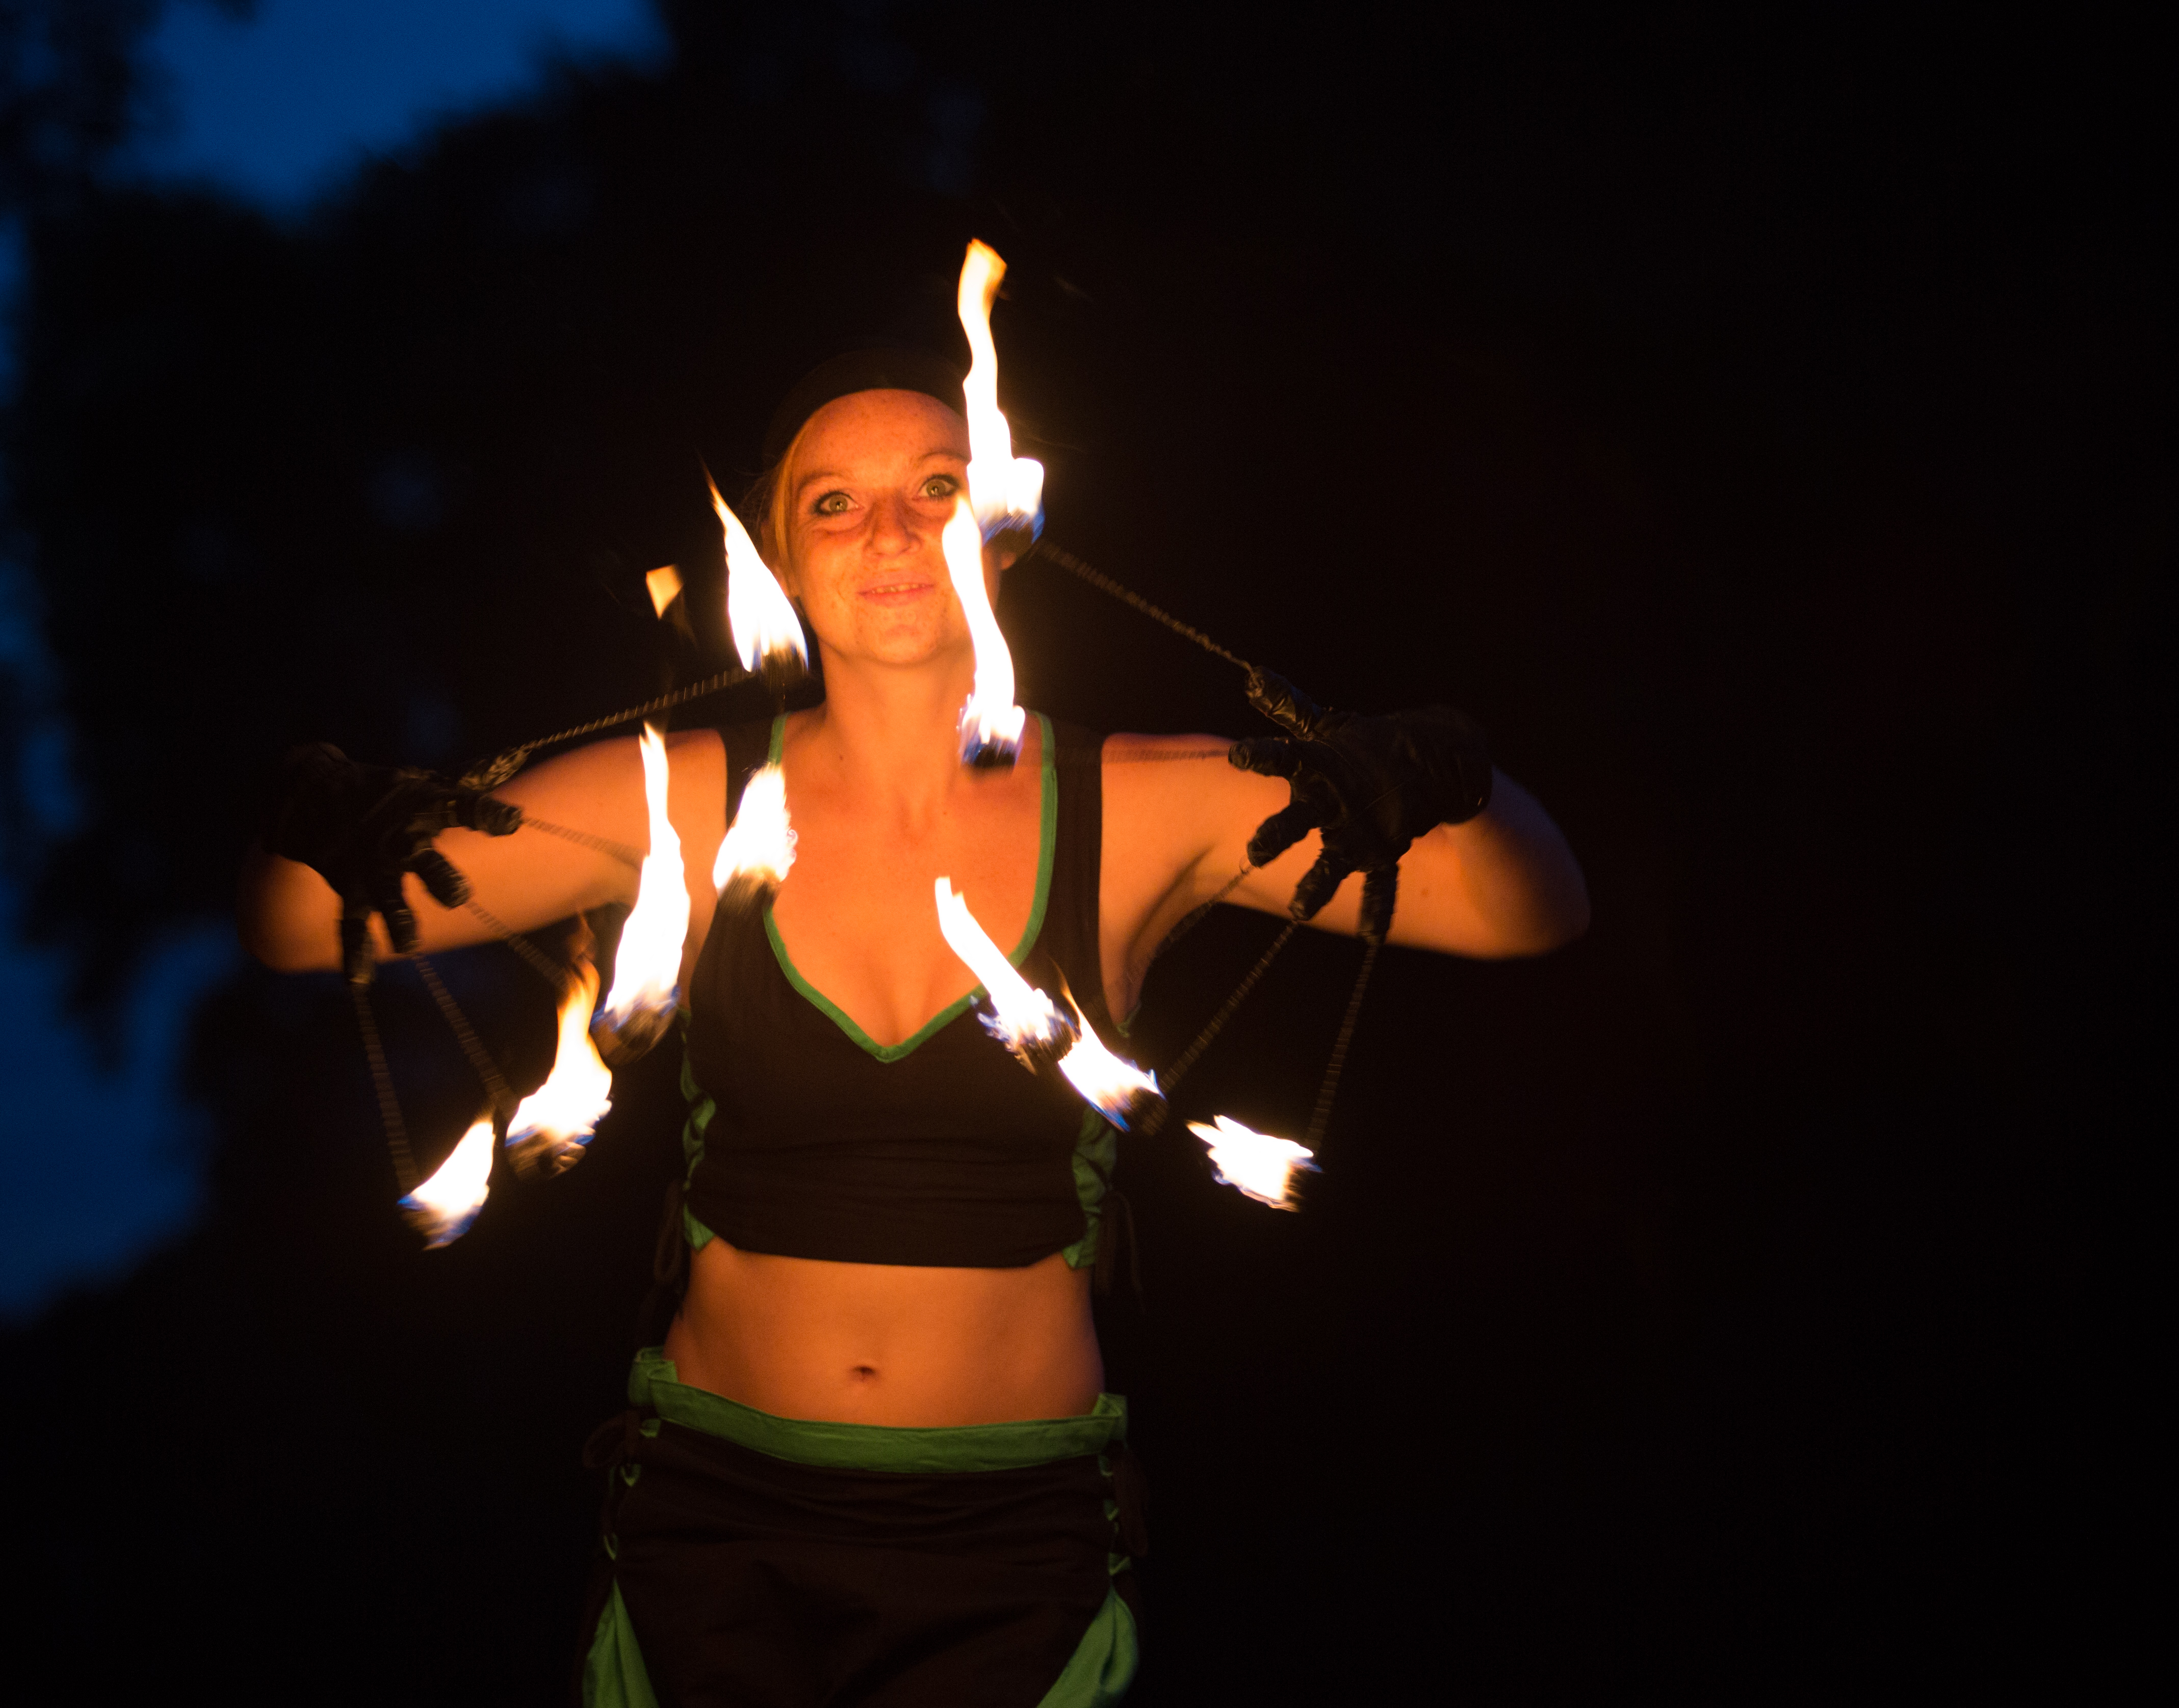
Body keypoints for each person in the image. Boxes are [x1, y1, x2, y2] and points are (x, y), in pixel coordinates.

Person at [239, 346, 1590, 1706]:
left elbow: (1527, 909)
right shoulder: (680, 800)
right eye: (833, 502)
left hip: (1013, 1541)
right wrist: (320, 816)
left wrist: (1450, 774)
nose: (889, 530)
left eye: (936, 486)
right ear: (776, 558)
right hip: (714, 1521)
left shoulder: (1142, 803)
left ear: (1001, 522)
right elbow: (296, 924)